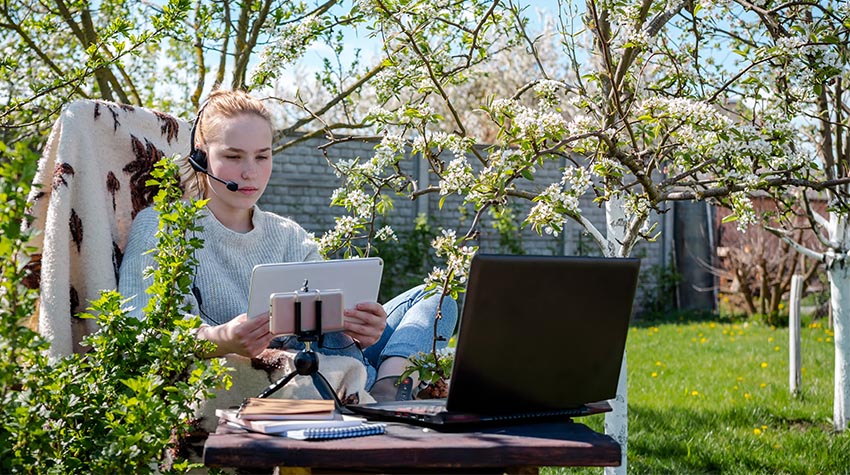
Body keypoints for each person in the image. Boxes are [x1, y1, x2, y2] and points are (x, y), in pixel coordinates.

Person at [118, 89, 457, 402]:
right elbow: (140, 335)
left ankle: (390, 384)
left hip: (332, 352)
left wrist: (365, 330)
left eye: (262, 157)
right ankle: (381, 384)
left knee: (436, 298)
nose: (250, 172)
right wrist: (222, 338)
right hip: (286, 369)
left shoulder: (288, 234)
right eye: (234, 156)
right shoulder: (163, 228)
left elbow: (331, 316)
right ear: (200, 158)